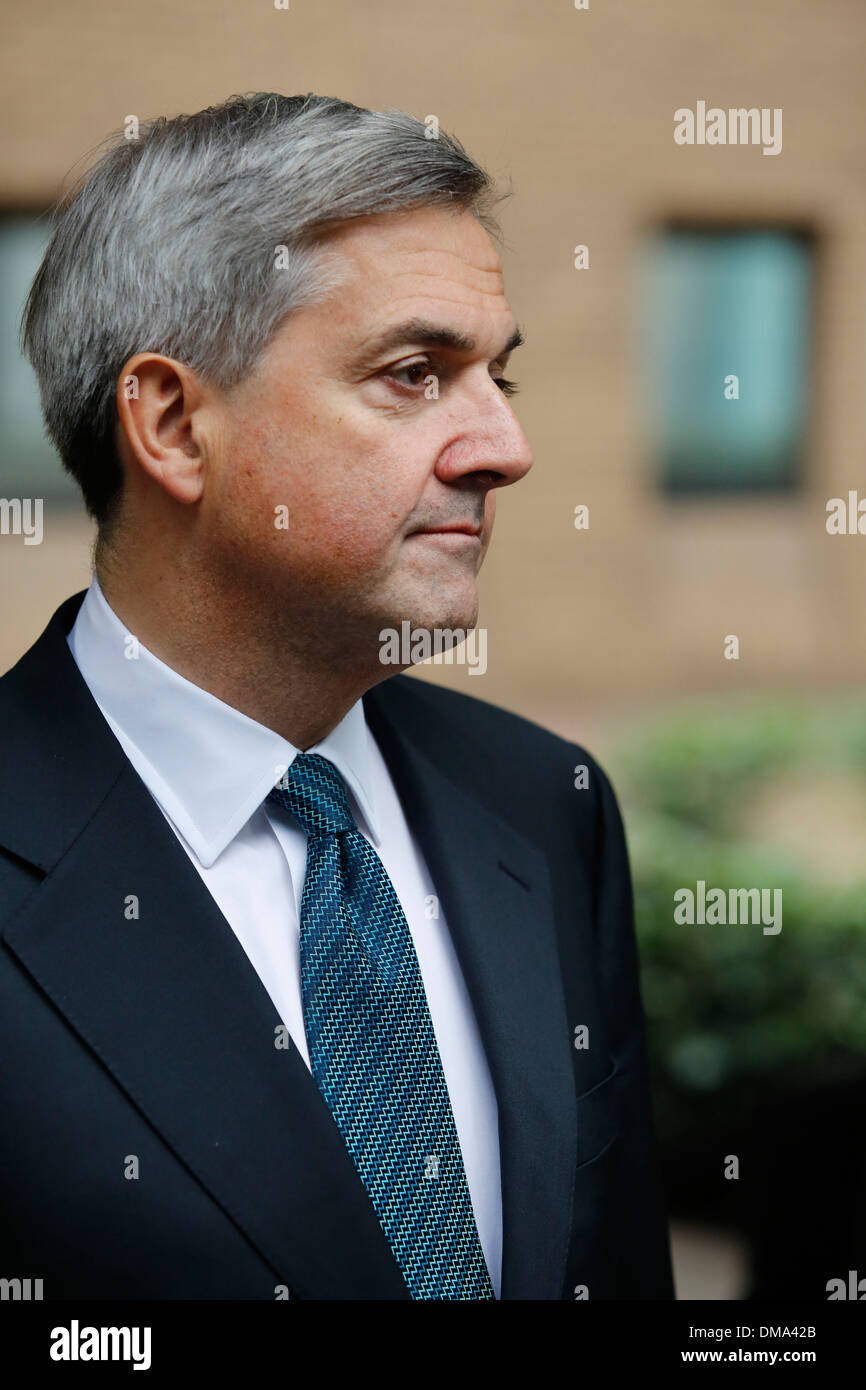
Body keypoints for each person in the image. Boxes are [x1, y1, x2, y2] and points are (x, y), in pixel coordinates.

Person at [0, 92, 674, 1300]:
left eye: (496, 376)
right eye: (414, 374)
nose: (503, 448)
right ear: (171, 424)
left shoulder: (543, 804)